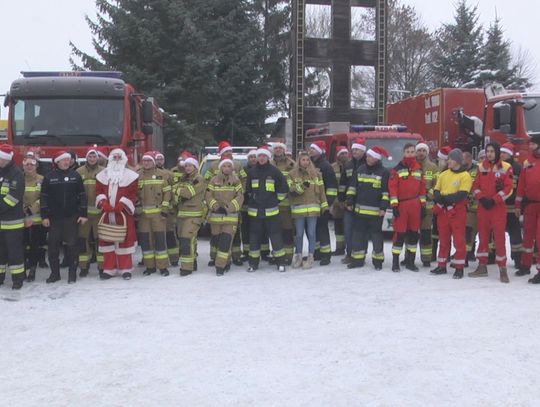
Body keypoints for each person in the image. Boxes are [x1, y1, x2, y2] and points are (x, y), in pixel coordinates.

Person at [40, 151, 88, 284]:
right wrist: (44, 216)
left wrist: (83, 214)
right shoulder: (49, 177)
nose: (67, 162)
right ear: (57, 162)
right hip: (54, 219)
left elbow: (82, 196)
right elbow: (43, 198)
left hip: (71, 218)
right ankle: (55, 274)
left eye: (68, 160)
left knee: (72, 246)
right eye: (64, 160)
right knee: (53, 248)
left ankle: (72, 274)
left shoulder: (75, 176)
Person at [469, 142, 513, 283]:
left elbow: (508, 188)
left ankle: (502, 269)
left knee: (499, 239)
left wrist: (494, 200)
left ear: (498, 152)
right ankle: (482, 266)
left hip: (497, 208)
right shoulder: (481, 167)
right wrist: (481, 198)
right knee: (483, 237)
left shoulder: (506, 167)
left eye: (492, 151)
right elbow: (475, 186)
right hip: (483, 208)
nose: (489, 154)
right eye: (487, 151)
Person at [95, 149, 139, 279]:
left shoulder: (131, 176)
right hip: (106, 213)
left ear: (124, 159)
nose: (117, 160)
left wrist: (122, 204)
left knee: (124, 241)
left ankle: (125, 269)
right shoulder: (102, 175)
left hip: (123, 214)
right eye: (115, 158)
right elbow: (98, 191)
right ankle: (109, 269)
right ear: (110, 159)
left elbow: (133, 194)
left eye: (119, 158)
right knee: (107, 239)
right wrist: (103, 203)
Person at [245, 146, 289, 272]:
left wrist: (276, 200)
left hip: (271, 211)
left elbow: (283, 188)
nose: (262, 158)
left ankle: (280, 262)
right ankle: (253, 263)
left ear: (268, 157)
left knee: (275, 237)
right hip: (255, 212)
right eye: (260, 156)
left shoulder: (274, 171)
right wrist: (253, 198)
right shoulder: (252, 172)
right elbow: (248, 190)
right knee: (254, 238)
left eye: (264, 156)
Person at [346, 146, 390, 270]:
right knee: (358, 235)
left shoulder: (384, 172)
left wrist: (383, 207)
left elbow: (386, 193)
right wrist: (349, 200)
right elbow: (352, 187)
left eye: (370, 156)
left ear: (376, 158)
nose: (367, 158)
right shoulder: (360, 169)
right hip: (360, 211)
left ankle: (378, 261)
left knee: (376, 237)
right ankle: (358, 260)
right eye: (368, 156)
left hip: (376, 212)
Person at [430, 148, 472, 279]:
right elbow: (436, 190)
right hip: (444, 211)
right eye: (448, 159)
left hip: (457, 211)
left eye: (451, 159)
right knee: (443, 240)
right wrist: (441, 198)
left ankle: (459, 267)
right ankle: (441, 265)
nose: (448, 161)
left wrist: (445, 198)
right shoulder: (443, 174)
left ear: (458, 161)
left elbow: (462, 194)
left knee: (459, 241)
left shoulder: (465, 176)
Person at [205, 141, 247, 265]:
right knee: (216, 236)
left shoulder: (238, 165)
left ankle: (236, 256)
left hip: (233, 204)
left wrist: (240, 195)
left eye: (230, 151)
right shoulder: (212, 165)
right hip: (216, 205)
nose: (228, 153)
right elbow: (206, 180)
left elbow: (244, 179)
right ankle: (215, 257)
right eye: (226, 152)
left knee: (234, 234)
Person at [389, 143, 426, 272]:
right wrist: (394, 205)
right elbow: (392, 188)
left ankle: (410, 261)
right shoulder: (397, 169)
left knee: (413, 234)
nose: (410, 154)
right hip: (402, 205)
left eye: (412, 152)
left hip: (415, 205)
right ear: (404, 154)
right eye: (408, 152)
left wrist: (423, 206)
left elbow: (422, 188)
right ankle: (395, 262)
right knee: (399, 234)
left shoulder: (419, 169)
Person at [288, 151, 328, 269]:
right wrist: (302, 186)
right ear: (299, 161)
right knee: (299, 234)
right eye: (303, 160)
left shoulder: (316, 174)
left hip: (313, 208)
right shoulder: (292, 174)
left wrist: (324, 206)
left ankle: (311, 257)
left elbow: (321, 191)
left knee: (311, 233)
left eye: (307, 160)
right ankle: (298, 256)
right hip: (298, 208)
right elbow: (291, 190)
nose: (305, 162)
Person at [136, 151, 172, 276]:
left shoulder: (162, 175)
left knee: (160, 241)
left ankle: (163, 267)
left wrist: (165, 210)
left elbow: (167, 193)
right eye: (144, 161)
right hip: (143, 215)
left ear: (153, 162)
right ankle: (149, 266)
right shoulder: (137, 175)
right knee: (146, 242)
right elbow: (133, 194)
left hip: (158, 214)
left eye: (149, 160)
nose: (146, 163)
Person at [174, 155, 206, 276]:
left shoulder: (199, 179)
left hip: (194, 215)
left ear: (195, 167)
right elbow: (176, 197)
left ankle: (187, 268)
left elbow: (188, 193)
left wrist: (176, 190)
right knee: (188, 240)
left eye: (190, 166)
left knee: (187, 240)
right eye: (186, 165)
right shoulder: (183, 179)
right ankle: (193, 262)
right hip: (182, 214)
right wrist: (177, 191)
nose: (187, 168)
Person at [0, 144, 26, 289]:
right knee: (0, 253)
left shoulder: (16, 174)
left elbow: (13, 198)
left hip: (12, 223)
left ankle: (17, 280)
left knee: (14, 253)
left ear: (6, 159)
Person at [77, 148, 105, 277]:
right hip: (84, 214)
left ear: (98, 158)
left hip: (100, 213)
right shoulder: (79, 172)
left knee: (100, 241)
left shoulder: (103, 172)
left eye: (94, 157)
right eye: (90, 157)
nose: (92, 159)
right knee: (83, 241)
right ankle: (84, 266)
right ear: (86, 158)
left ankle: (102, 267)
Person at [515, 134, 540, 283]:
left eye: (532, 144)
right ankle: (525, 265)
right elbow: (521, 185)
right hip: (530, 205)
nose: (529, 146)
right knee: (528, 237)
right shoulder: (527, 161)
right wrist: (518, 205)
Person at [309, 141, 338, 266]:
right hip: (312, 204)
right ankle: (317, 252)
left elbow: (332, 187)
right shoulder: (309, 164)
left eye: (313, 149)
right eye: (310, 148)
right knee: (313, 229)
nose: (310, 150)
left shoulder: (326, 166)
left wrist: (327, 204)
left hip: (322, 204)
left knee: (322, 230)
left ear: (319, 151)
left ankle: (326, 255)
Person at [339, 138, 366, 263]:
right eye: (353, 149)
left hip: (363, 203)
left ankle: (361, 253)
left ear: (362, 151)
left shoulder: (368, 164)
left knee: (361, 230)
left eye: (357, 149)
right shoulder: (348, 165)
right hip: (348, 204)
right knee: (348, 230)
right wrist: (341, 200)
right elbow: (342, 184)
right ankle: (349, 253)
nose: (354, 151)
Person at [271, 141, 296, 265]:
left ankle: (288, 255)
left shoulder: (292, 164)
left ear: (284, 150)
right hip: (271, 205)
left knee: (287, 230)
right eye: (276, 148)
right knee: (275, 232)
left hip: (287, 205)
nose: (278, 150)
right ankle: (277, 255)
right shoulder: (268, 163)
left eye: (280, 148)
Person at [500, 142, 523, 270]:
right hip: (500, 205)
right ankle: (494, 256)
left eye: (504, 153)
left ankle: (518, 258)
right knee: (497, 233)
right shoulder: (500, 166)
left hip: (512, 206)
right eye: (501, 152)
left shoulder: (517, 167)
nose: (501, 155)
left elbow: (519, 186)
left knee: (515, 233)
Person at [22, 154, 45, 282]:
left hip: (36, 219)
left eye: (32, 164)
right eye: (27, 164)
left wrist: (33, 208)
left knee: (34, 246)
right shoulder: (19, 178)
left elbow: (45, 197)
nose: (29, 167)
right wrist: (22, 208)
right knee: (23, 246)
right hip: (21, 219)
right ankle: (23, 269)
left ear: (36, 166)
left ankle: (32, 269)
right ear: (23, 166)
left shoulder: (42, 179)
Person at [415, 142, 438, 267]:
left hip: (427, 207)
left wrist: (428, 193)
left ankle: (426, 259)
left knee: (425, 233)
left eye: (424, 150)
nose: (421, 153)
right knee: (411, 233)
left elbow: (437, 185)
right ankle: (409, 257)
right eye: (419, 150)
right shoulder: (411, 166)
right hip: (413, 205)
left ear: (427, 152)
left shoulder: (433, 167)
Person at [331, 146, 349, 256]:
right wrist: (336, 202)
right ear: (338, 155)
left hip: (349, 202)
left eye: (345, 153)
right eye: (341, 154)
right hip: (337, 202)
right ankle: (339, 248)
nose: (344, 156)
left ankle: (349, 249)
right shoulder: (332, 167)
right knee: (338, 227)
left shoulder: (352, 166)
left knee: (348, 226)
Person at [463, 152, 479, 266]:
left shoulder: (477, 170)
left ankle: (469, 254)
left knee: (470, 231)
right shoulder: (460, 170)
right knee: (467, 232)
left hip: (475, 206)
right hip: (463, 207)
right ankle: (466, 254)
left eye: (464, 158)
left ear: (469, 159)